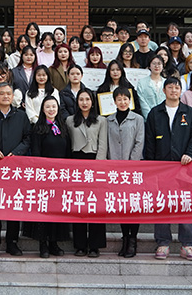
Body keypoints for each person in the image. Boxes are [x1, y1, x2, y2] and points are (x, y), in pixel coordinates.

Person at [145, 77, 192, 261]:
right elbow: (149, 141)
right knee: (162, 204)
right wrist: (151, 165)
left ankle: (187, 245)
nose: (174, 90)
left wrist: (190, 154)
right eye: (170, 87)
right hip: (161, 168)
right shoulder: (155, 113)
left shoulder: (189, 113)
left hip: (184, 167)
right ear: (164, 90)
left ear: (181, 90)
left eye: (177, 87)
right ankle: (163, 243)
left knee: (185, 204)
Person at [0, 83, 31, 256]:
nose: (5, 96)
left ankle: (12, 243)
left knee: (14, 206)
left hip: (14, 168)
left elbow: (27, 138)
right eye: (2, 93)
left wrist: (16, 153)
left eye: (8, 94)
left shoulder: (21, 116)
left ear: (12, 97)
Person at [65, 89, 107, 257]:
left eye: (87, 99)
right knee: (79, 205)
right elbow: (67, 143)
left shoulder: (101, 120)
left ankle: (95, 245)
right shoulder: (69, 120)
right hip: (76, 163)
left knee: (95, 205)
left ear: (92, 101)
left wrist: (98, 167)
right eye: (81, 99)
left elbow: (103, 145)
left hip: (94, 162)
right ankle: (80, 245)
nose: (84, 103)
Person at [29, 96, 71, 257]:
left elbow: (67, 152)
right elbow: (36, 153)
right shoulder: (38, 128)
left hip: (60, 177)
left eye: (54, 106)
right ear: (43, 109)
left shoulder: (63, 128)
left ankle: (54, 243)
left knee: (57, 210)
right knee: (44, 211)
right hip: (44, 176)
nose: (51, 110)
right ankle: (43, 244)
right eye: (48, 107)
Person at [106, 88, 145, 258]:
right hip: (115, 170)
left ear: (130, 100)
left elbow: (139, 142)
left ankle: (133, 240)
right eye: (119, 99)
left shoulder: (138, 119)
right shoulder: (108, 120)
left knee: (133, 205)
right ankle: (125, 239)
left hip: (133, 170)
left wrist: (130, 164)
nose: (122, 102)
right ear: (114, 101)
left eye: (125, 99)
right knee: (121, 205)